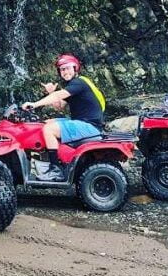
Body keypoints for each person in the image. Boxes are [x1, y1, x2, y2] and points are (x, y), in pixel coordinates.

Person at [21, 53, 106, 182]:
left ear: (75, 68)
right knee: (45, 123)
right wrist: (51, 92)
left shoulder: (78, 83)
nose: (65, 72)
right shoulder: (74, 85)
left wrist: (34, 104)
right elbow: (59, 106)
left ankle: (55, 170)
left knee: (49, 130)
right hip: (83, 121)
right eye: (62, 69)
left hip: (90, 126)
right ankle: (54, 158)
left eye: (67, 68)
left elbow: (58, 96)